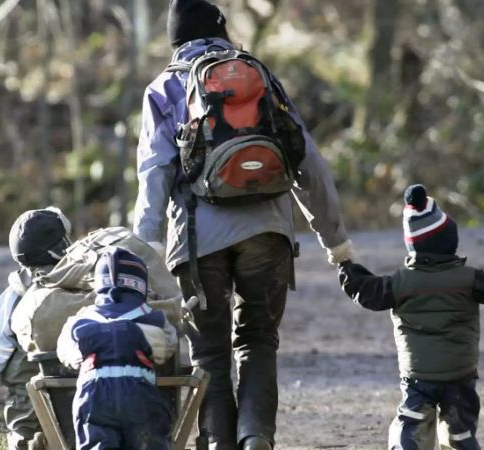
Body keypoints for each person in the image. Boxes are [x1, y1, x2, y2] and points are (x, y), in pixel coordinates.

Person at [132, 1, 353, 449]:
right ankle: (256, 438)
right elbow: (308, 159)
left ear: (175, 39)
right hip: (267, 231)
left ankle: (218, 443)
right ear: (221, 31)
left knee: (210, 351)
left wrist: (145, 253)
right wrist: (337, 242)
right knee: (258, 340)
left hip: (197, 241)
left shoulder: (165, 88)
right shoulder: (260, 76)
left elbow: (154, 173)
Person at [337, 184, 484, 450]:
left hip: (418, 375)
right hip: (460, 373)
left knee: (411, 423)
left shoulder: (400, 282)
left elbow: (367, 291)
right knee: (460, 430)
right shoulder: (468, 279)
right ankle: (460, 441)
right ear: (450, 242)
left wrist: (346, 266)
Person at [56, 246, 178, 450]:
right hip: (139, 394)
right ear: (141, 285)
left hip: (94, 395)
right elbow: (166, 347)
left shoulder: (80, 320)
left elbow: (65, 352)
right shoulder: (152, 318)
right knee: (148, 442)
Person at [0, 207, 73, 450]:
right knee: (71, 424)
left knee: (23, 424)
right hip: (74, 375)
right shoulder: (77, 280)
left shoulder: (14, 294)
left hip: (28, 382)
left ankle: (25, 441)